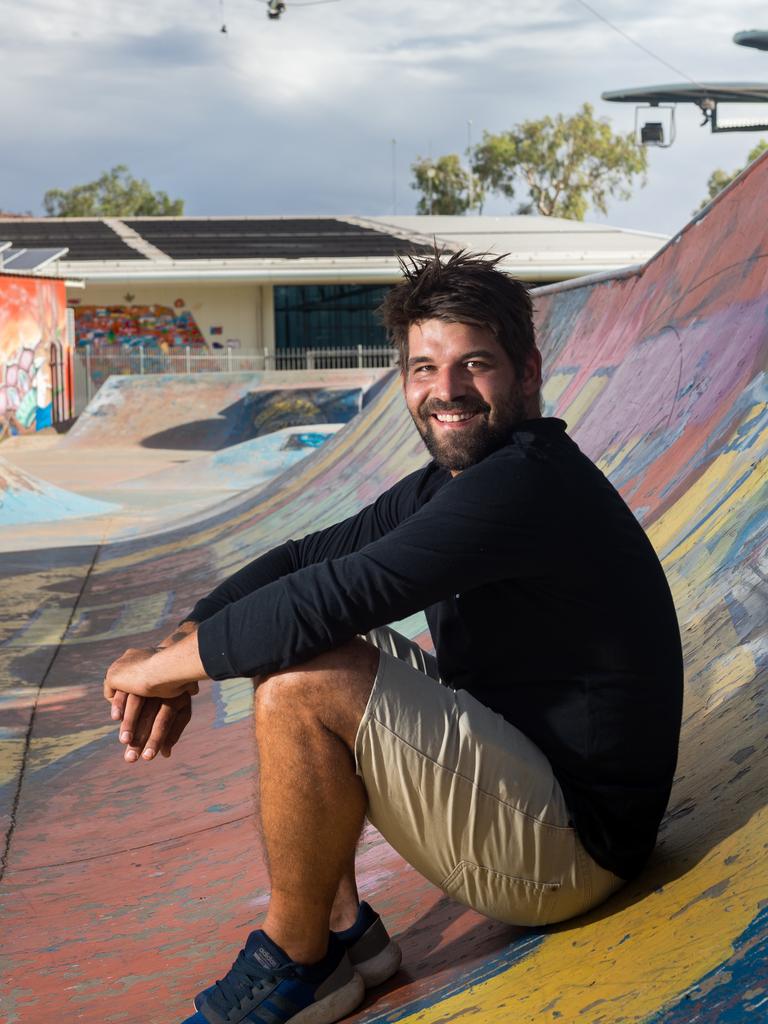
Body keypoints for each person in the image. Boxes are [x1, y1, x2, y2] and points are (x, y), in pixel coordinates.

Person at [104, 251, 684, 1024]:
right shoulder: (454, 483)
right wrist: (180, 640)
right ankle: (347, 937)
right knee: (286, 636)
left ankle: (297, 957)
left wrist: (162, 672)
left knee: (305, 669)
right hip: (531, 786)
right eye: (423, 368)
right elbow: (304, 560)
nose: (445, 391)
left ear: (528, 371)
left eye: (474, 363)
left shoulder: (528, 482)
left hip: (574, 850)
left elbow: (336, 595)